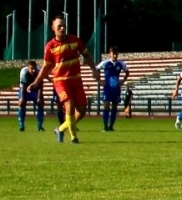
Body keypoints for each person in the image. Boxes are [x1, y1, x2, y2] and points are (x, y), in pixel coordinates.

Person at [29, 16, 88, 144]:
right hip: (60, 81)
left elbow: (86, 55)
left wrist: (94, 70)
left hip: (76, 80)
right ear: (53, 28)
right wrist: (36, 82)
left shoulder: (75, 40)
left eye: (64, 26)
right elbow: (45, 67)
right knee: (70, 107)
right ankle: (74, 137)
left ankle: (60, 129)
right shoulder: (50, 46)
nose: (62, 28)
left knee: (82, 111)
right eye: (59, 26)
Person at [96, 47, 130, 131]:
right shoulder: (105, 63)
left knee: (114, 107)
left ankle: (111, 126)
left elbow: (127, 72)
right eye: (113, 53)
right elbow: (96, 69)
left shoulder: (121, 63)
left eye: (116, 53)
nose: (115, 55)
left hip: (116, 88)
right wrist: (99, 80)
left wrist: (123, 81)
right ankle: (105, 126)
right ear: (110, 54)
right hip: (107, 88)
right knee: (106, 106)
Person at [17, 59, 45, 132]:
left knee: (40, 103)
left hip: (35, 90)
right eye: (31, 69)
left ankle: (39, 126)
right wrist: (22, 98)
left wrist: (39, 97)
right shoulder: (23, 72)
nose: (33, 70)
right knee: (22, 103)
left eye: (34, 68)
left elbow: (40, 85)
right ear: (28, 68)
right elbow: (23, 86)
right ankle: (21, 125)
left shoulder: (39, 71)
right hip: (25, 89)